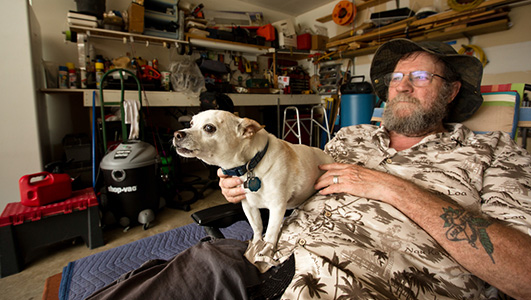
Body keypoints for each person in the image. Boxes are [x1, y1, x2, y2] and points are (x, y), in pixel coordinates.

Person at [88, 39, 531, 300]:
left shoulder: (493, 153)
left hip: (348, 282)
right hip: (261, 256)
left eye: (419, 78)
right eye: (397, 77)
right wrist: (245, 182)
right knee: (175, 271)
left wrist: (393, 189)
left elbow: (525, 274)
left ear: (452, 91)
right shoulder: (350, 137)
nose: (401, 86)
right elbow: (285, 177)